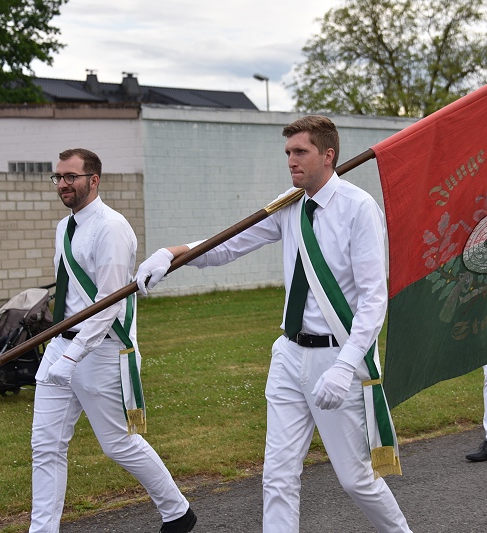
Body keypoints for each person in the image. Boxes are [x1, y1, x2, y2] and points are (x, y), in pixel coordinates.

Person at [136, 115, 412, 533]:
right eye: (288, 152)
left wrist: (345, 366)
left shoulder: (358, 208)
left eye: (300, 151)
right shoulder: (290, 204)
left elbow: (374, 300)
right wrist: (172, 254)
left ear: (328, 155)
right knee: (278, 476)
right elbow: (229, 245)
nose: (291, 160)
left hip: (337, 357)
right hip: (288, 354)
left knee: (356, 479)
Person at [31, 149, 196, 533]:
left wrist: (72, 357)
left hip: (101, 350)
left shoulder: (112, 227)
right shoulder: (65, 226)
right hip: (61, 345)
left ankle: (177, 512)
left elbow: (109, 303)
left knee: (118, 443)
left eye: (71, 177)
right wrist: (62, 351)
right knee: (45, 446)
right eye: (58, 177)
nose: (63, 184)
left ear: (94, 179)